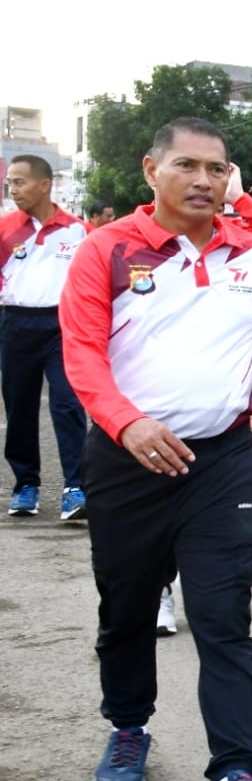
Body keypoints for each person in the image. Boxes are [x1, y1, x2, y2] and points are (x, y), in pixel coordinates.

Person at [57, 116, 252, 781]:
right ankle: (129, 727)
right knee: (127, 605)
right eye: (188, 166)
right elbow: (82, 352)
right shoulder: (106, 251)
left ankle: (236, 777)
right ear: (150, 171)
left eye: (217, 170)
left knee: (223, 614)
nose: (204, 181)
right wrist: (126, 422)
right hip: (127, 462)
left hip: (220, 459)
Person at [0, 154, 90, 519]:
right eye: (9, 183)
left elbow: (91, 282)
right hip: (15, 324)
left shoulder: (78, 230)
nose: (12, 189)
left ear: (44, 184)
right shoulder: (5, 228)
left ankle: (75, 487)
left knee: (67, 404)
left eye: (19, 182)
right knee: (19, 406)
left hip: (61, 326)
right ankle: (26, 486)